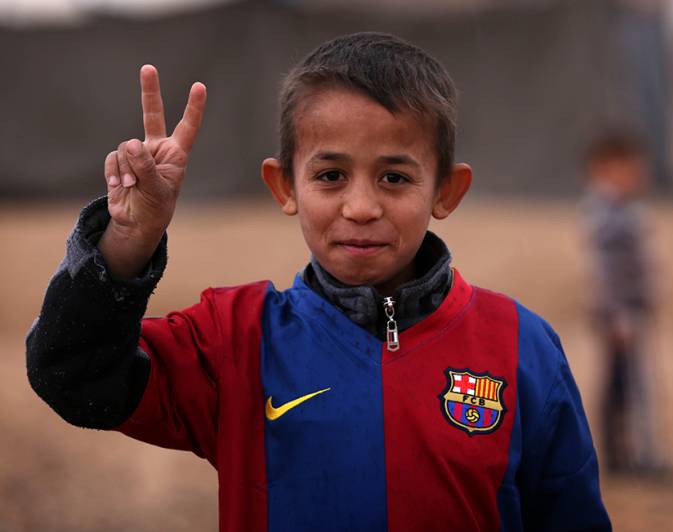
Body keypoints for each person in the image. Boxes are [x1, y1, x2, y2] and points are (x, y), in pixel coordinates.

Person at [27, 32, 611, 531]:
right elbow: (74, 376)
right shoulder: (236, 340)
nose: (360, 206)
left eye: (394, 177)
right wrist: (129, 238)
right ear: (284, 187)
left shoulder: (519, 345)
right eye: (330, 175)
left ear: (445, 192)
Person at [582, 131, 666, 476]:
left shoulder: (622, 210)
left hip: (628, 310)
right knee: (628, 387)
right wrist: (617, 314)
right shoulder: (606, 214)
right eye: (627, 169)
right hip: (620, 314)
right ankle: (630, 456)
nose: (636, 175)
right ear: (603, 170)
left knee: (625, 385)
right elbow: (604, 271)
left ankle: (626, 454)